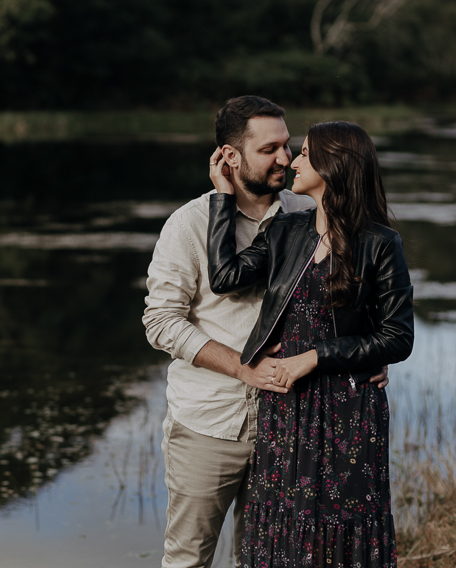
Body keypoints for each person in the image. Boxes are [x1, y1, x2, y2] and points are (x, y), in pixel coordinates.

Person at [143, 96, 388, 568]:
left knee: (268, 558)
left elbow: (358, 297)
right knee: (188, 559)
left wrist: (368, 356)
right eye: (269, 149)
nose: (284, 158)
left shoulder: (306, 212)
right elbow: (161, 322)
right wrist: (244, 368)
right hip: (211, 424)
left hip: (295, 424)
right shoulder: (190, 224)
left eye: (288, 146)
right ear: (230, 157)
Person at [206, 121, 414, 567]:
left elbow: (397, 336)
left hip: (349, 409)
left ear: (334, 166)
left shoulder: (380, 243)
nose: (292, 162)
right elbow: (224, 278)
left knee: (344, 522)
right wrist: (222, 195)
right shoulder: (286, 231)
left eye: (303, 153)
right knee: (282, 524)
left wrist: (315, 357)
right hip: (286, 405)